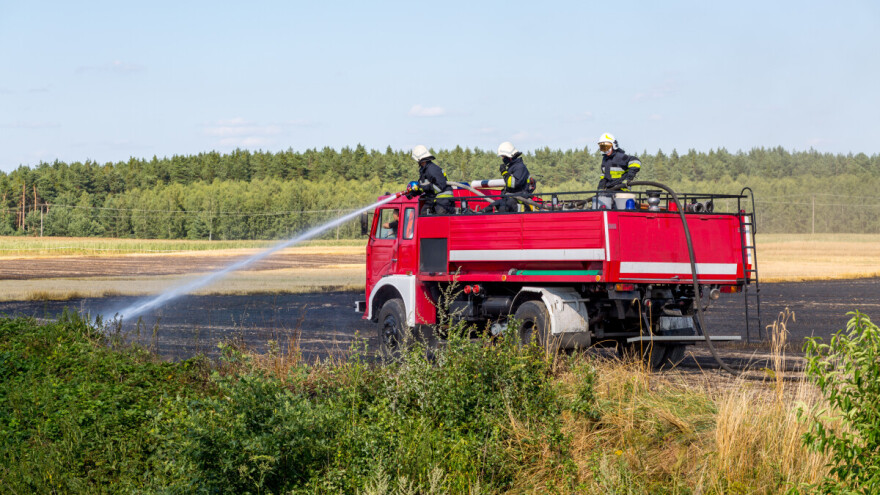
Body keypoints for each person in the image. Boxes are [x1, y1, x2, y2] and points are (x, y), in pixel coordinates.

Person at [486, 141, 533, 212]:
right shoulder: (513, 167)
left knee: (503, 208)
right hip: (511, 198)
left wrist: (504, 173)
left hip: (519, 200)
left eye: (503, 156)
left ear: (509, 156)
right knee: (491, 206)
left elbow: (514, 184)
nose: (502, 159)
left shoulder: (520, 167)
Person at [407, 145, 455, 214]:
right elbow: (423, 187)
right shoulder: (424, 170)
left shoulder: (432, 169)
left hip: (443, 197)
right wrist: (414, 192)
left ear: (419, 159)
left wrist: (423, 187)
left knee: (440, 211)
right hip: (433, 197)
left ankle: (456, 211)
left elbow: (439, 187)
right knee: (423, 213)